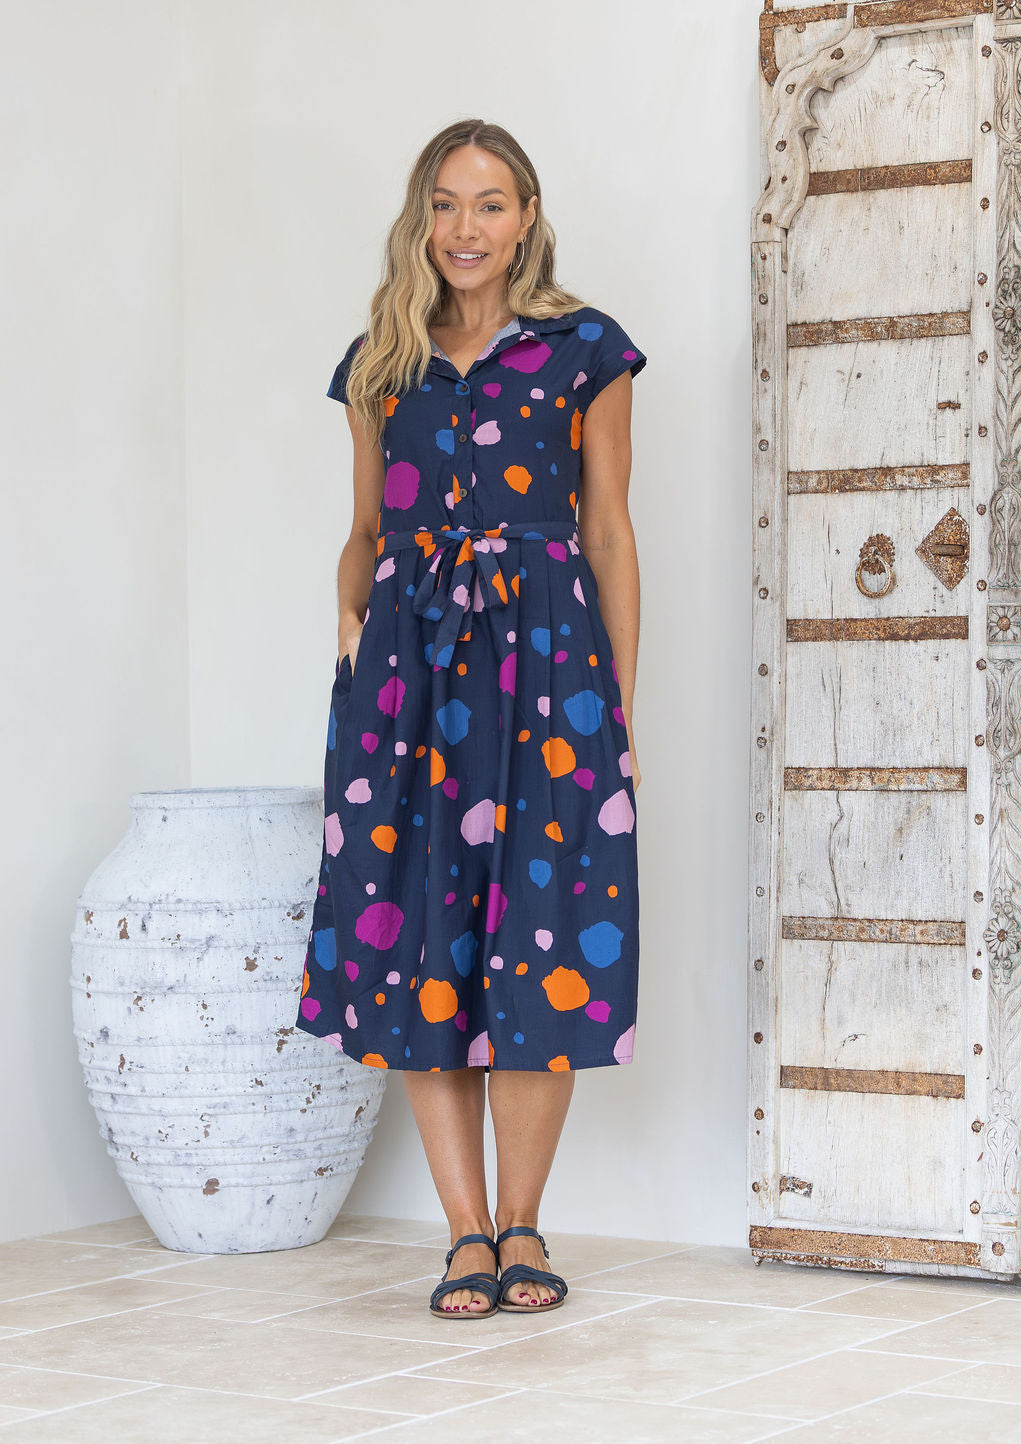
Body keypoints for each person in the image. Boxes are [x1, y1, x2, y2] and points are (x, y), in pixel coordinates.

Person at [296, 118, 646, 1319]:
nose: (464, 229)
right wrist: (350, 636)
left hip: (549, 674)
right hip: (405, 683)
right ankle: (462, 1232)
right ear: (420, 217)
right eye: (445, 205)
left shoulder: (582, 352)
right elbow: (366, 533)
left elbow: (605, 532)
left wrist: (619, 708)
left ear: (527, 214)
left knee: (542, 943)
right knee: (419, 948)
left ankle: (524, 1223)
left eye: (489, 205)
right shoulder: (380, 363)